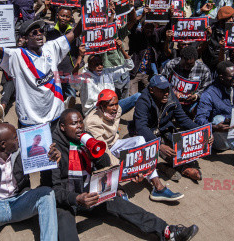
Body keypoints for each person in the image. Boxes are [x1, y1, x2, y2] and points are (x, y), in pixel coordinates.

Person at [40, 109, 199, 241]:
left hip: (86, 190)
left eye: (81, 121)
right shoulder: (52, 150)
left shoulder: (83, 138)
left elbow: (105, 164)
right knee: (67, 233)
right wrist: (75, 199)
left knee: (122, 205)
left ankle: (167, 231)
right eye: (74, 123)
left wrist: (94, 152)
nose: (80, 126)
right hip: (64, 199)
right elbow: (52, 191)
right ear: (62, 127)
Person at [84, 89, 183, 201]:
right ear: (101, 106)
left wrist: (138, 166)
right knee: (113, 171)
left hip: (114, 144)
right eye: (111, 105)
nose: (115, 108)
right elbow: (104, 151)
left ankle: (158, 186)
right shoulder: (92, 122)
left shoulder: (118, 110)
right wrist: (128, 170)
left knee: (140, 140)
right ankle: (118, 191)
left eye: (116, 104)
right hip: (100, 152)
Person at [0, 19, 82, 129]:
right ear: (25, 39)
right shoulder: (17, 56)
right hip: (30, 121)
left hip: (55, 116)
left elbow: (75, 32)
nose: (39, 34)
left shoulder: (51, 48)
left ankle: (65, 105)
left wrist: (85, 5)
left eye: (41, 31)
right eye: (34, 32)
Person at [130, 75, 208, 181]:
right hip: (146, 134)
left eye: (167, 89)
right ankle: (172, 168)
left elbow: (183, 119)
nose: (166, 93)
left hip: (164, 131)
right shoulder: (143, 101)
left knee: (179, 152)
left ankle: (171, 166)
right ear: (152, 90)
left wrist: (204, 131)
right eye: (162, 90)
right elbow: (141, 127)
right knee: (150, 155)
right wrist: (159, 145)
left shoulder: (170, 95)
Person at [71, 40, 139, 116]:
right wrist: (80, 56)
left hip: (111, 106)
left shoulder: (108, 72)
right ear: (89, 65)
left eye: (101, 64)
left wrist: (121, 49)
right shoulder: (85, 78)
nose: (100, 66)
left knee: (137, 96)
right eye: (96, 64)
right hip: (94, 111)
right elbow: (73, 80)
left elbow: (129, 66)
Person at [162, 46, 213, 114]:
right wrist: (173, 93)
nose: (186, 67)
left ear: (195, 60)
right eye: (184, 64)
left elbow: (207, 90)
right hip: (172, 100)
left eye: (190, 65)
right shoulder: (172, 64)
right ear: (181, 58)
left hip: (192, 104)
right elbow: (162, 82)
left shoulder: (204, 70)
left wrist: (196, 96)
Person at [45, 7, 81, 104]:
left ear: (71, 18)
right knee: (55, 99)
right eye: (62, 15)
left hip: (70, 71)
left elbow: (79, 50)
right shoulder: (49, 30)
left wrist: (77, 65)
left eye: (67, 16)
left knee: (71, 100)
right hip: (54, 72)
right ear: (57, 16)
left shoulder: (74, 32)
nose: (64, 18)